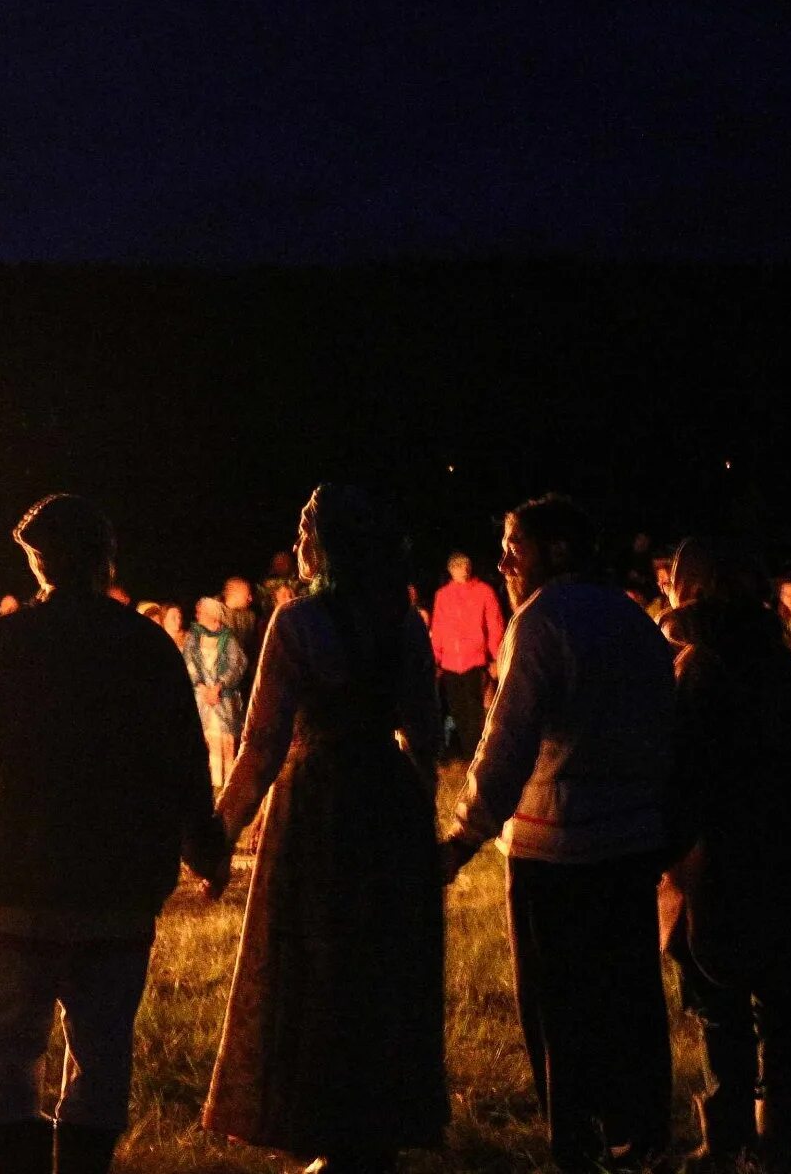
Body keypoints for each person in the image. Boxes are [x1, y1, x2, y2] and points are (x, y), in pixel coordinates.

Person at [0, 494, 226, 1174]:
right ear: (107, 560)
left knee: (4, 1047)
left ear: (39, 563)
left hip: (15, 885)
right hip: (116, 891)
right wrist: (204, 846)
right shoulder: (145, 646)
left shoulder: (7, 644)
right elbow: (183, 764)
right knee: (102, 1052)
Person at [201, 488, 448, 1171]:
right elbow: (425, 735)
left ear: (324, 543)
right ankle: (376, 1136)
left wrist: (219, 834)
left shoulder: (298, 622)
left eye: (306, 530)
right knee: (378, 971)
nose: (300, 541)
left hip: (321, 809)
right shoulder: (403, 620)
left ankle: (333, 1139)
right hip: (388, 803)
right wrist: (418, 822)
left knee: (320, 972)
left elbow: (261, 746)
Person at [441, 494, 677, 1172]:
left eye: (515, 543)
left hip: (557, 850)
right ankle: (644, 1137)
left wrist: (463, 838)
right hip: (632, 844)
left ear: (558, 551)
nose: (503, 558)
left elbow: (507, 740)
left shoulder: (541, 623)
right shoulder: (632, 622)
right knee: (631, 995)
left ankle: (577, 1143)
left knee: (560, 1006)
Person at [661, 538, 791, 1173]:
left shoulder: (700, 667)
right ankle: (780, 1141)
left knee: (722, 1007)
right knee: (782, 1010)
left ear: (695, 588)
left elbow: (683, 775)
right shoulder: (782, 664)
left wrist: (668, 855)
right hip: (785, 855)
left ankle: (728, 1140)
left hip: (720, 862)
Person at [428, 552, 507, 762]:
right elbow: (439, 627)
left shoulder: (484, 592)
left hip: (475, 660)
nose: (460, 570)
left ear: (468, 568)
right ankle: (467, 753)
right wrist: (435, 658)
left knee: (474, 710)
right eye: (456, 567)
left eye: (463, 566)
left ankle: (477, 755)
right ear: (450, 570)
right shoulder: (443, 596)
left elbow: (494, 625)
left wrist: (496, 658)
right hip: (451, 663)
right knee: (457, 709)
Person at [181, 598, 250, 790]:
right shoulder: (194, 637)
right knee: (206, 744)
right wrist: (203, 688)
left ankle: (227, 791)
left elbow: (237, 664)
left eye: (201, 610)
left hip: (223, 700)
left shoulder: (228, 638)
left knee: (226, 746)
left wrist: (218, 687)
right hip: (203, 700)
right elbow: (189, 662)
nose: (197, 614)